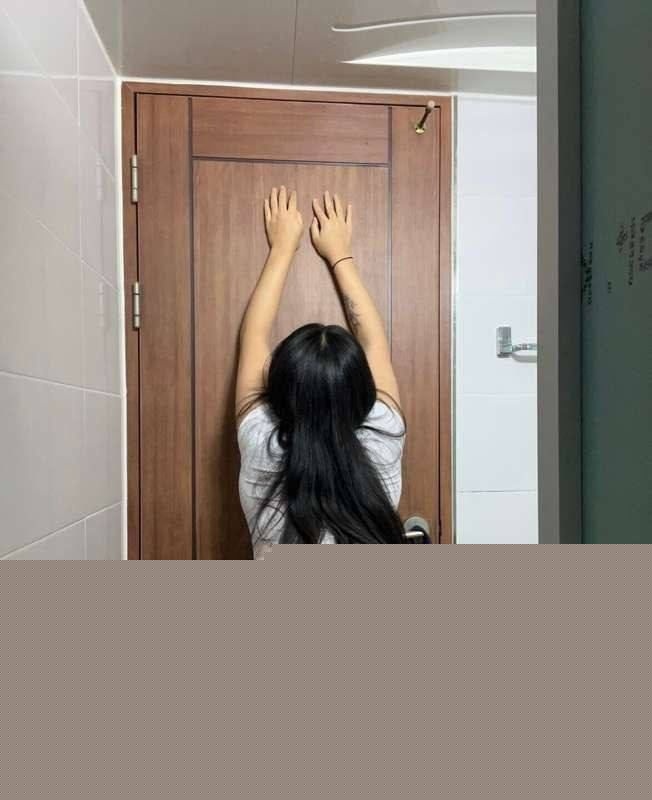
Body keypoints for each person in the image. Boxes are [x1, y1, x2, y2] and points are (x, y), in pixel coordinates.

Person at [236, 186, 406, 558]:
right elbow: (375, 343)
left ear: (277, 387)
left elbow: (253, 337)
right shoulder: (382, 439)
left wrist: (282, 249)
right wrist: (339, 254)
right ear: (363, 391)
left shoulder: (263, 444)